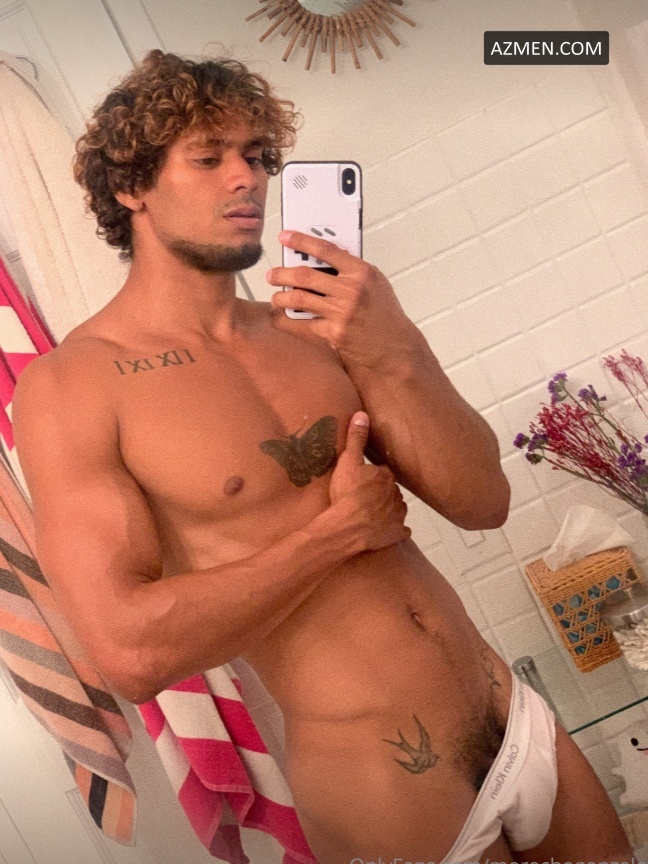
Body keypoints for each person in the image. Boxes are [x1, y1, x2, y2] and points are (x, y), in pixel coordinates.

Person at [13, 50, 632, 863]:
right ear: (132, 186)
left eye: (256, 155)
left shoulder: (311, 331)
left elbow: (484, 501)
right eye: (209, 157)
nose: (247, 178)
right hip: (384, 779)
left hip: (511, 715)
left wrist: (395, 344)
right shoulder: (75, 386)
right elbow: (129, 653)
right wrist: (333, 536)